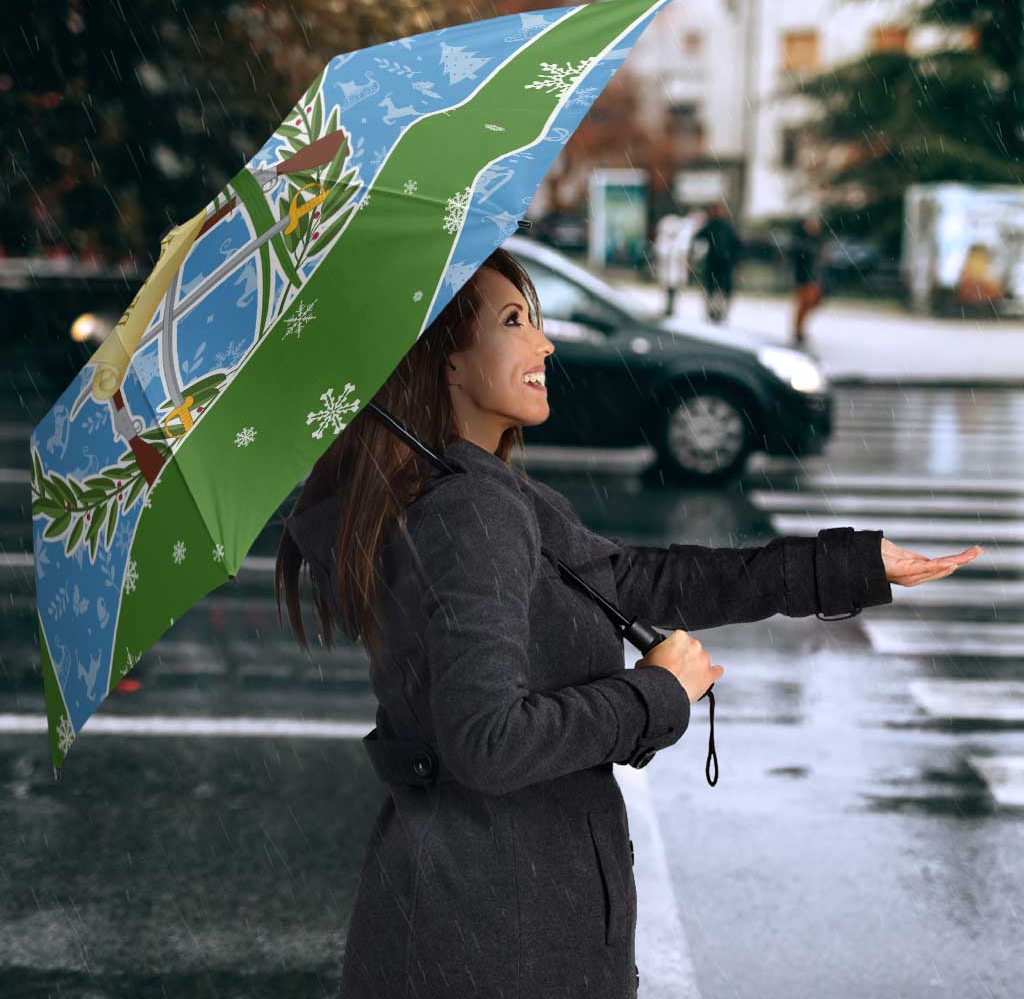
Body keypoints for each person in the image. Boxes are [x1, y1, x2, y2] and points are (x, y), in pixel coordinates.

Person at [275, 246, 979, 999]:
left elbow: (639, 580)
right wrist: (656, 694)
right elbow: (488, 742)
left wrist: (848, 566)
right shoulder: (471, 511)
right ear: (446, 359)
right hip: (499, 937)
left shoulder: (472, 493)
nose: (544, 343)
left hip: (476, 916)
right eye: (513, 322)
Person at [692, 201, 742, 324]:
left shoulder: (724, 227)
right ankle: (713, 312)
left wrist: (735, 259)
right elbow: (698, 238)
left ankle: (719, 312)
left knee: (719, 290)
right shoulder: (714, 226)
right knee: (714, 289)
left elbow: (736, 245)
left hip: (722, 264)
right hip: (716, 263)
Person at [790, 214, 826, 345]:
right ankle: (798, 330)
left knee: (812, 302)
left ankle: (799, 329)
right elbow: (799, 261)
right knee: (804, 304)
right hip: (805, 278)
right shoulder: (802, 242)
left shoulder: (816, 241)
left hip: (814, 278)